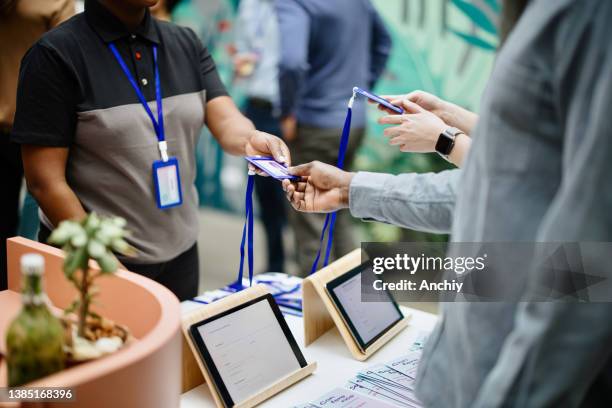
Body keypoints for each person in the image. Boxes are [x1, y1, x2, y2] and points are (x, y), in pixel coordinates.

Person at [283, 0, 612, 405]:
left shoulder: (590, 18)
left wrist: (444, 138)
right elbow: (506, 183)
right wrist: (352, 189)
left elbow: (590, 261)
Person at [11, 0, 291, 301]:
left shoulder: (185, 43)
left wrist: (252, 139)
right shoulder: (55, 55)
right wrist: (106, 266)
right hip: (98, 264)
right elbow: (45, 182)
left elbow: (225, 119)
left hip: (181, 255)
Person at [275, 0, 392, 276]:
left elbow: (291, 61)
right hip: (354, 123)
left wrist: (287, 111)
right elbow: (384, 42)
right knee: (339, 208)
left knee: (310, 222)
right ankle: (358, 306)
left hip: (315, 124)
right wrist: (361, 91)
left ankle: (318, 312)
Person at [0, 0, 75, 291]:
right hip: (40, 131)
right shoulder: (54, 2)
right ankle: (28, 293)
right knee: (37, 225)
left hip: (5, 125)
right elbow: (67, 59)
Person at [233, 0, 287, 273]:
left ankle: (298, 268)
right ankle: (274, 266)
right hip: (254, 106)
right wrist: (241, 62)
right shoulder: (248, 5)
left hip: (286, 112)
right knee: (264, 193)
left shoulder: (299, 5)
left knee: (289, 195)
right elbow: (244, 47)